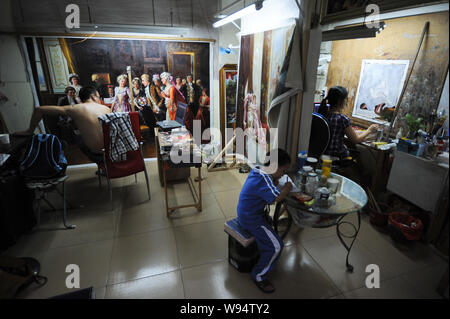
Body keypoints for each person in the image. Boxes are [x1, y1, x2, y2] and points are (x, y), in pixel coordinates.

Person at [237, 148, 293, 293]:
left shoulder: (258, 170)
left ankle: (264, 253)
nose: (283, 174)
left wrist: (275, 181)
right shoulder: (264, 179)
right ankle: (258, 275)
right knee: (277, 246)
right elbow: (276, 199)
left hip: (249, 213)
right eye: (283, 171)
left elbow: (268, 188)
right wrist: (287, 187)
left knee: (269, 231)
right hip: (251, 218)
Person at [15, 86, 111, 164]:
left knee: (77, 136)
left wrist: (29, 131)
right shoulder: (107, 109)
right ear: (93, 96)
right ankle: (105, 168)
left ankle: (102, 165)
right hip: (113, 153)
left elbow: (39, 110)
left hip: (97, 155)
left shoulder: (75, 108)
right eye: (99, 97)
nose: (99, 99)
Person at [318, 86, 379, 160]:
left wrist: (363, 132)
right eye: (346, 98)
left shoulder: (323, 114)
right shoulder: (342, 119)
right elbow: (356, 140)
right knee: (359, 157)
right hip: (337, 156)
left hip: (322, 153)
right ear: (342, 101)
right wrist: (369, 130)